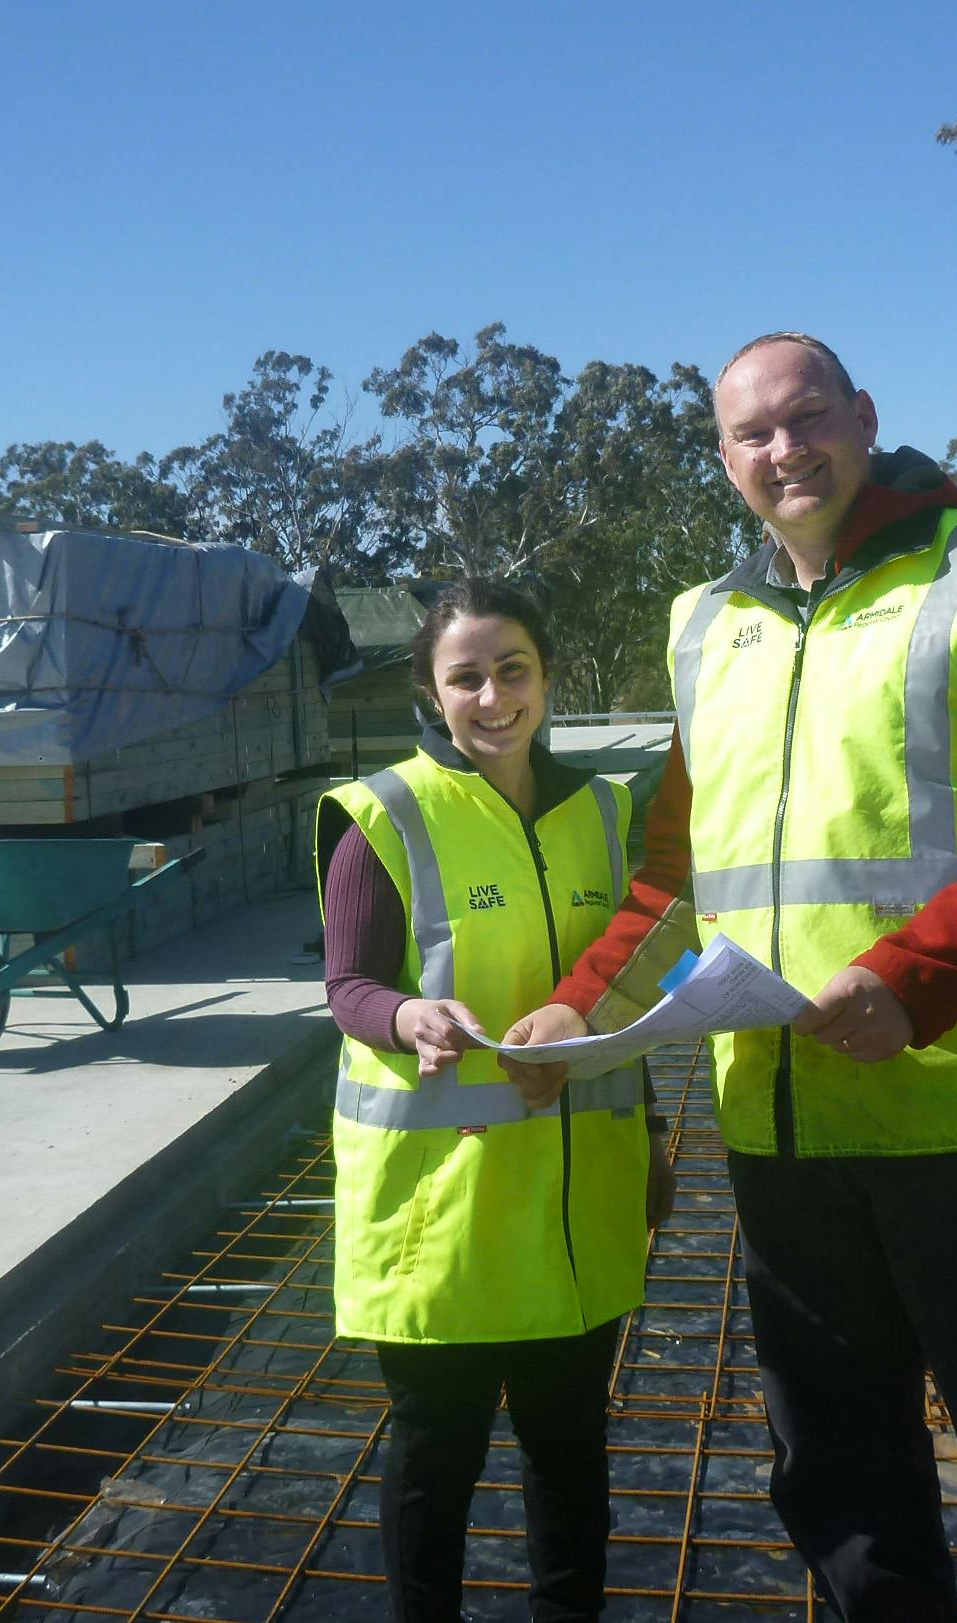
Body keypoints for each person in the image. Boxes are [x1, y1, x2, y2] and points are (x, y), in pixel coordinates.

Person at [502, 334, 957, 1622]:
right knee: (839, 1468)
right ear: (725, 457)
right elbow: (676, 873)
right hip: (783, 1128)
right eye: (752, 434)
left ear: (864, 417)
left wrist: (914, 978)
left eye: (807, 419)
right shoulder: (711, 623)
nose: (783, 450)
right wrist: (584, 1006)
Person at [317, 576, 671, 1623]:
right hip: (448, 1211)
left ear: (546, 678)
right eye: (464, 677)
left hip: (576, 1199)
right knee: (438, 1459)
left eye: (511, 670)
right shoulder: (383, 815)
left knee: (572, 1453)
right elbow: (347, 986)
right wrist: (404, 1018)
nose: (492, 696)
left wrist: (654, 1135)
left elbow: (625, 996)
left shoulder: (603, 814)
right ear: (434, 692)